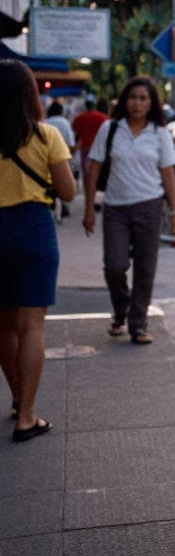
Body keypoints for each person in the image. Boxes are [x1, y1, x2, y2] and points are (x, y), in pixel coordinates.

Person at [0, 60, 76, 442]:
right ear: (31, 95)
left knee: (4, 326)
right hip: (33, 229)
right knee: (31, 326)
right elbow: (67, 192)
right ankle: (26, 416)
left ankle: (17, 398)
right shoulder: (47, 137)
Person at [83, 77, 175, 345]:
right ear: (125, 101)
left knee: (145, 268)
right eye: (133, 98)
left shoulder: (160, 133)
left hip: (150, 206)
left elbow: (169, 173)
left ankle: (138, 324)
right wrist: (89, 208)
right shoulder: (110, 128)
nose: (137, 103)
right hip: (116, 208)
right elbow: (94, 168)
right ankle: (120, 310)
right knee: (115, 266)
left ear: (151, 103)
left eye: (143, 98)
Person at [45, 101, 77, 217]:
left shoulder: (44, 123)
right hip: (62, 157)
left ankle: (55, 210)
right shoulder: (64, 123)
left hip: (45, 160)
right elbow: (71, 143)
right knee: (64, 185)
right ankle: (61, 209)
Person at [72, 98, 109, 174]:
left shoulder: (79, 117)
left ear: (85, 106)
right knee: (100, 171)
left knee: (86, 171)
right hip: (100, 147)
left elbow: (76, 133)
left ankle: (87, 185)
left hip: (85, 147)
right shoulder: (103, 117)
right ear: (94, 106)